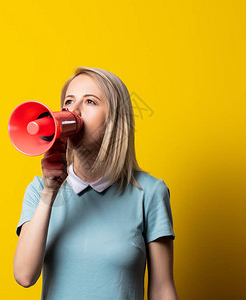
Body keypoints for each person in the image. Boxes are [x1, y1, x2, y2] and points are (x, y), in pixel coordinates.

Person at [13, 66, 178, 300]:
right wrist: (50, 193)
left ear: (115, 120)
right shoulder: (39, 191)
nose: (74, 111)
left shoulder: (149, 192)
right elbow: (24, 276)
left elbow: (162, 289)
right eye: (68, 102)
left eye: (90, 102)